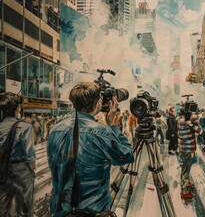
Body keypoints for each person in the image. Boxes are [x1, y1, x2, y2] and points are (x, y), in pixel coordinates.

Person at [47, 82, 134, 217]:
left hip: (60, 211)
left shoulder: (55, 130)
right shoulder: (102, 132)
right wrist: (112, 124)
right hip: (93, 211)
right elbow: (127, 155)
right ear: (98, 103)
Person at [0, 92, 36, 217]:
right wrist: (32, 170)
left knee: (2, 209)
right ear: (17, 109)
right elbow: (29, 155)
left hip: (2, 170)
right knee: (24, 210)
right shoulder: (25, 127)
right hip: (21, 171)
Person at [177, 109, 201, 199]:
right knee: (187, 169)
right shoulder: (189, 123)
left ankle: (184, 182)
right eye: (191, 114)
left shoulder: (179, 121)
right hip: (189, 148)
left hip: (183, 148)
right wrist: (195, 122)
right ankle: (185, 190)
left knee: (184, 167)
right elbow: (199, 130)